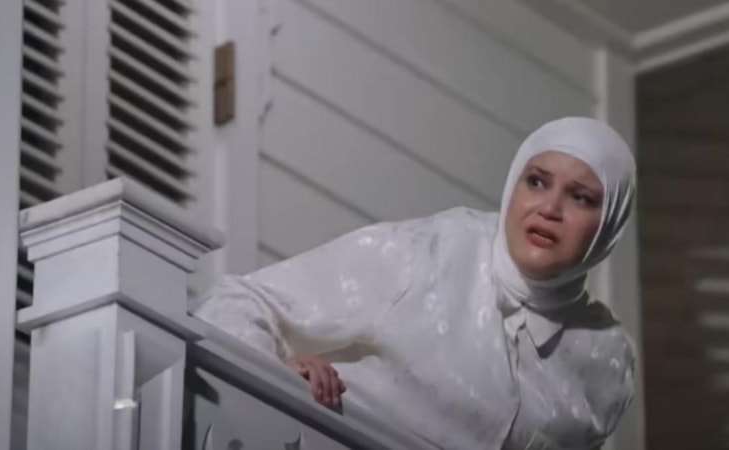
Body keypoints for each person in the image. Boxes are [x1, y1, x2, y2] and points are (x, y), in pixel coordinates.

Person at [194, 117, 637, 450]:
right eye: (537, 182)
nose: (549, 209)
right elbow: (234, 303)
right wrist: (273, 376)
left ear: (611, 223)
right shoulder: (429, 253)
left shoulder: (607, 362)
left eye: (581, 197)